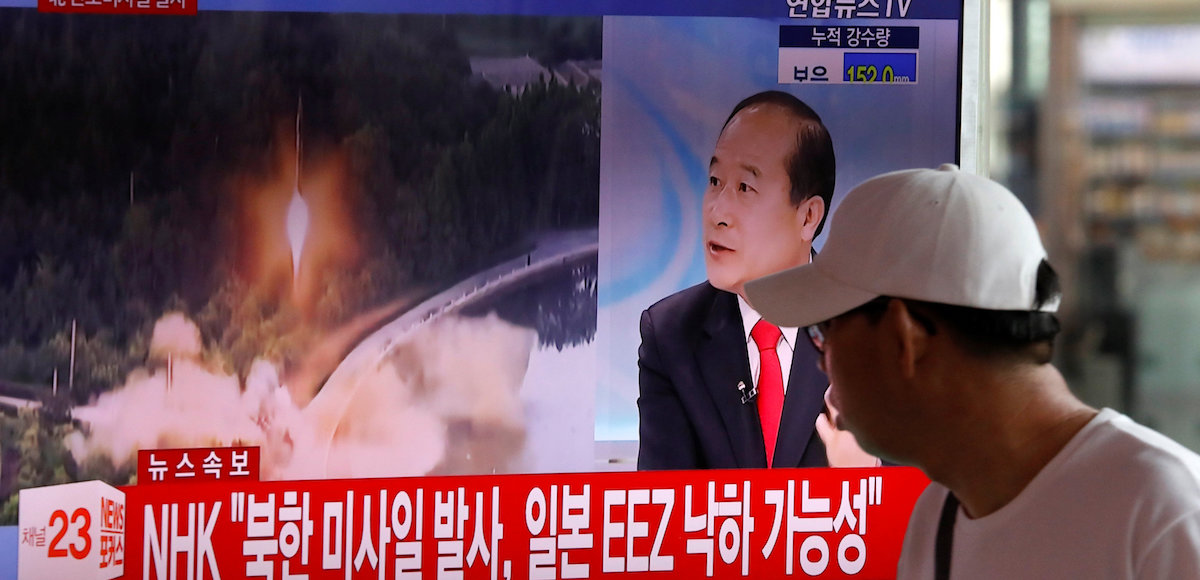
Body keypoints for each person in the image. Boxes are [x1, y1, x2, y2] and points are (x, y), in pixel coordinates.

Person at [745, 164, 1200, 578]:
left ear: (905, 338)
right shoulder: (938, 517)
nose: (821, 361)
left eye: (825, 331)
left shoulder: (1165, 512)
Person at [637, 90, 874, 469]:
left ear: (808, 217)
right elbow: (664, 511)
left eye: (745, 188)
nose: (717, 211)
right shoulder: (671, 335)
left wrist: (869, 477)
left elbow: (925, 501)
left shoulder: (871, 332)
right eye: (715, 181)